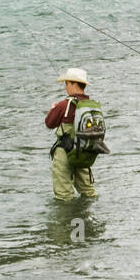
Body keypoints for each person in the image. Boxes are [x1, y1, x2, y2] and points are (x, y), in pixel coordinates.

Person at [44, 68, 107, 201]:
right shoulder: (91, 106)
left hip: (64, 152)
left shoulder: (64, 105)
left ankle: (67, 220)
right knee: (88, 191)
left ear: (73, 84)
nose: (65, 87)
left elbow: (49, 123)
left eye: (66, 83)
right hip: (83, 152)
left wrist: (52, 110)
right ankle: (88, 218)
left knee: (63, 196)